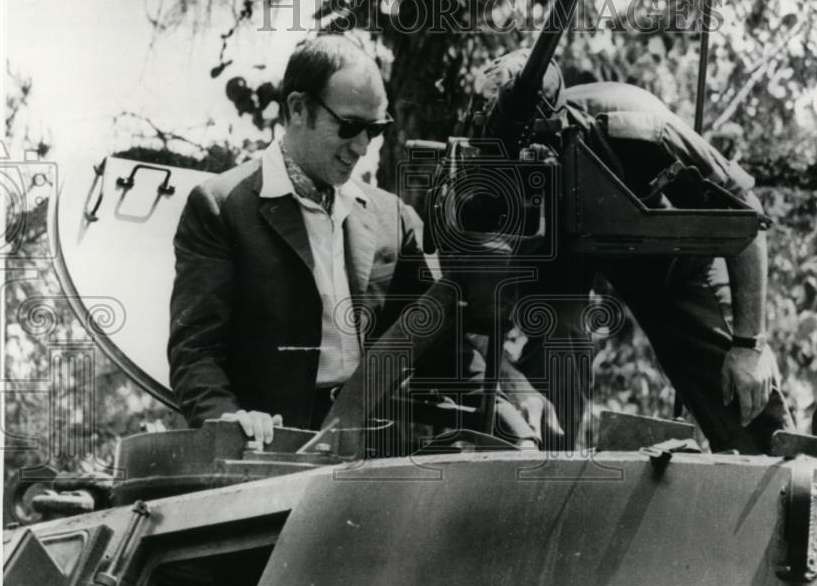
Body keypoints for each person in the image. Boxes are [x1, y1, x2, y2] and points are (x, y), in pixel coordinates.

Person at [169, 35, 543, 447]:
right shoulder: (221, 208)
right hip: (271, 451)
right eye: (349, 126)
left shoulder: (390, 217)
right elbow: (196, 353)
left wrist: (507, 404)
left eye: (376, 130)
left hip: (370, 449)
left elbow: (441, 348)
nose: (363, 147)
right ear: (298, 109)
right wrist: (229, 420)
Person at [478, 50, 794, 455]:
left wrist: (750, 345)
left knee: (742, 395)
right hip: (564, 253)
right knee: (550, 367)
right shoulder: (478, 165)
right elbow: (470, 316)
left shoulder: (637, 127)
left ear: (556, 130)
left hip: (671, 259)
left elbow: (746, 214)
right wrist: (514, 383)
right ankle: (544, 481)